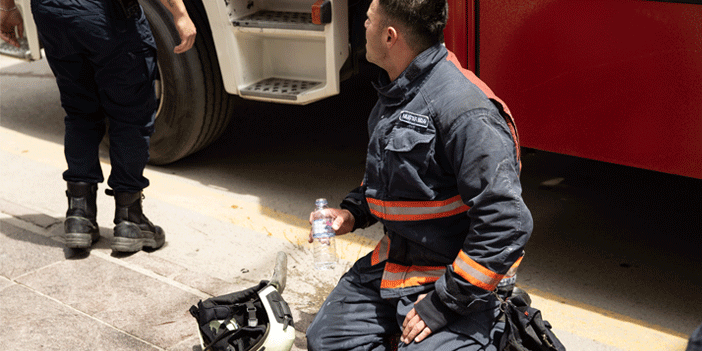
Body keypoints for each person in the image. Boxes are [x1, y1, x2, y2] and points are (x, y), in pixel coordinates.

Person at [305, 0, 533, 349]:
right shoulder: (399, 90)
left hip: (452, 281)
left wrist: (441, 306)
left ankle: (495, 331)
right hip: (397, 264)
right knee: (327, 341)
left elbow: (506, 224)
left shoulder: (466, 112)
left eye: (367, 20)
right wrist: (352, 212)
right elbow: (395, 178)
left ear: (389, 36)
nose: (362, 26)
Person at [0, 0, 196, 252]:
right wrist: (180, 14)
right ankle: (130, 220)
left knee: (79, 109)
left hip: (53, 15)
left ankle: (79, 216)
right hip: (106, 16)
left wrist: (6, 7)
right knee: (129, 115)